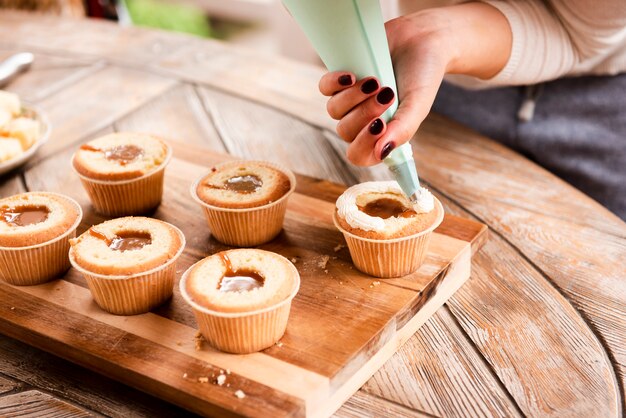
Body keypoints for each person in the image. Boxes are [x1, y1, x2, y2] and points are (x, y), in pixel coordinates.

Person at [319, 1, 626, 219]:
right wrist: (429, 37)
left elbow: (572, 32)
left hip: (599, 105)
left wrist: (435, 36)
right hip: (437, 79)